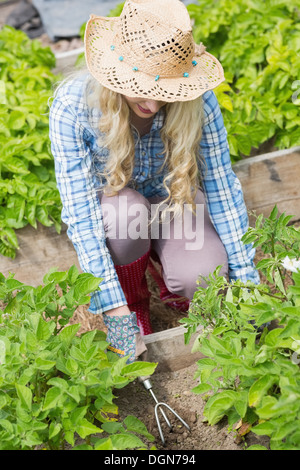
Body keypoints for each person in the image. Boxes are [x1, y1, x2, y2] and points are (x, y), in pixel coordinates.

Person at [49, 0, 259, 364]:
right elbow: (82, 218)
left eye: (165, 90)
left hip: (171, 202)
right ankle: (134, 303)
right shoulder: (73, 106)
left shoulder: (198, 101)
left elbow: (222, 190)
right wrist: (115, 317)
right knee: (122, 213)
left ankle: (173, 280)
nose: (153, 101)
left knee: (203, 273)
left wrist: (248, 285)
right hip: (119, 214)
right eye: (140, 86)